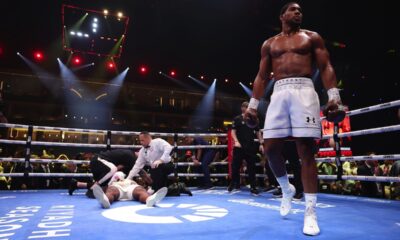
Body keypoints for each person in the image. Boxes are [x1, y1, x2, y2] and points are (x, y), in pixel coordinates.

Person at [245, 2, 343, 235]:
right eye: (293, 9)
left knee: (305, 150)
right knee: (269, 149)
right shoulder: (270, 43)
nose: (298, 12)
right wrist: (252, 106)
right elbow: (261, 76)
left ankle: (310, 212)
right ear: (282, 15)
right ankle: (285, 188)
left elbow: (326, 65)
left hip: (304, 90)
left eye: (300, 10)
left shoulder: (311, 38)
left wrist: (334, 97)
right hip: (279, 92)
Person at [229, 101, 263, 195]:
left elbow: (258, 131)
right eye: (245, 107)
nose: (247, 108)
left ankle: (253, 187)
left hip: (250, 146)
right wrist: (236, 141)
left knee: (251, 167)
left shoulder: (253, 119)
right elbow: (233, 132)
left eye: (248, 107)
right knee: (235, 167)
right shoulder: (237, 119)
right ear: (242, 108)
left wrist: (261, 143)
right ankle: (233, 183)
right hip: (239, 146)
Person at [92, 171, 168, 209]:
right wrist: (113, 180)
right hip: (118, 188)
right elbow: (107, 187)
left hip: (131, 188)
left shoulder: (130, 180)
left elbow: (143, 187)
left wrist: (149, 191)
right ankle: (105, 200)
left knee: (140, 190)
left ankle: (150, 199)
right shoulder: (113, 183)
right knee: (111, 191)